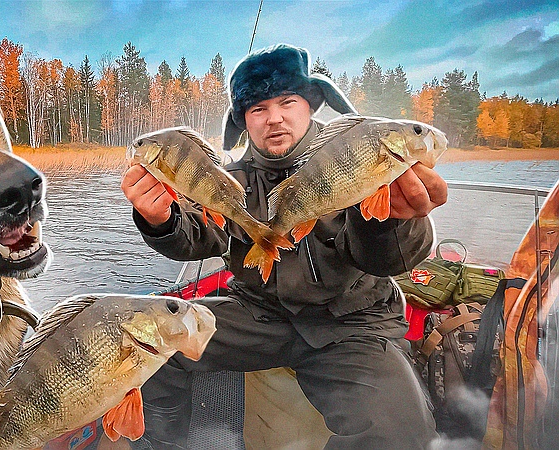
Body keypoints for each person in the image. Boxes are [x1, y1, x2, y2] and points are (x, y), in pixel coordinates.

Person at [120, 44, 447, 449]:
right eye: (257, 108)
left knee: (402, 431)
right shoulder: (227, 180)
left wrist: (393, 220)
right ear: (243, 121)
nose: (274, 118)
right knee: (148, 352)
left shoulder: (354, 160)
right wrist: (160, 220)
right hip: (257, 315)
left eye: (287, 101)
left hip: (350, 324)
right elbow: (198, 235)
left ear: (310, 105)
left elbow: (385, 260)